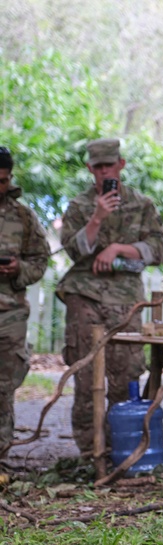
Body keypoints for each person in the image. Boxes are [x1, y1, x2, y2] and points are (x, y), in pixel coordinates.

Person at [58, 138, 163, 462]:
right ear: (90, 169)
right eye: (99, 166)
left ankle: (123, 453)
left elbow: (158, 249)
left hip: (126, 302)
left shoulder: (142, 204)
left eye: (110, 164)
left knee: (126, 379)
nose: (105, 171)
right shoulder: (79, 206)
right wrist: (97, 218)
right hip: (85, 297)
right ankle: (92, 455)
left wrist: (118, 249)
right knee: (86, 379)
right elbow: (73, 250)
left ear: (121, 164)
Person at [0, 147, 50, 459]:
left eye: (3, 181)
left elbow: (40, 258)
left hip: (10, 315)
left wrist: (19, 270)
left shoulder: (23, 216)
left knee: (4, 388)